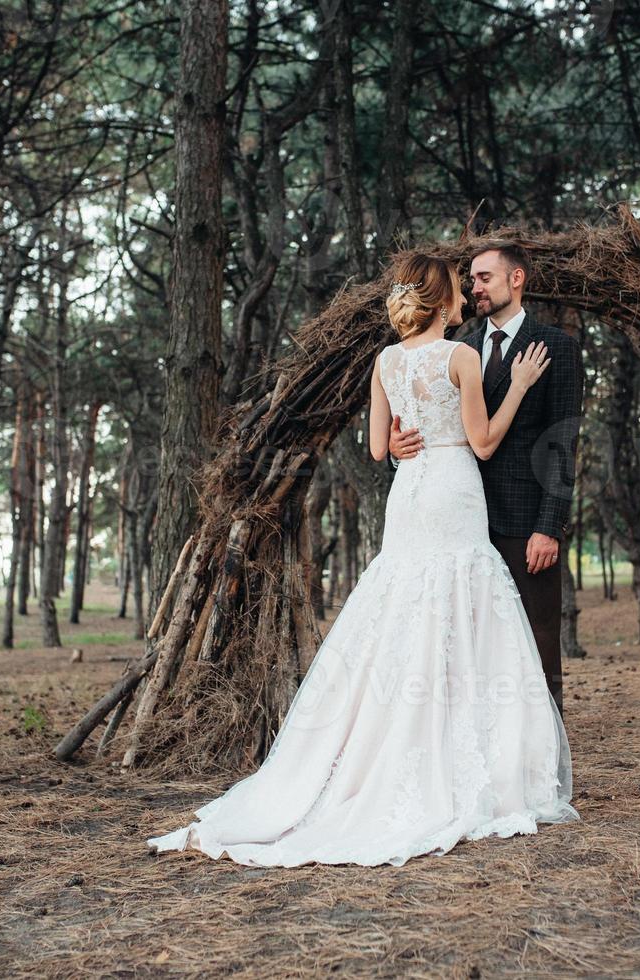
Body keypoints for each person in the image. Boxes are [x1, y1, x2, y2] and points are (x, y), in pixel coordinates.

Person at [145, 251, 579, 868]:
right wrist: (521, 389)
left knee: (402, 608)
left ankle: (376, 747)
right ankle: (464, 753)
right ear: (443, 299)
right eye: (460, 286)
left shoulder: (384, 361)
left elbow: (379, 448)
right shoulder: (462, 355)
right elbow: (482, 444)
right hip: (454, 491)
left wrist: (405, 444)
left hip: (410, 498)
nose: (466, 293)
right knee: (457, 606)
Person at [390, 243, 582, 717]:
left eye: (483, 278)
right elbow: (428, 429)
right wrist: (398, 449)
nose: (474, 287)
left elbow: (562, 444)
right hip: (461, 523)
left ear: (516, 279)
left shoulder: (556, 347)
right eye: (470, 280)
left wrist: (549, 524)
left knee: (535, 645)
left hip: (524, 524)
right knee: (471, 650)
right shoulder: (458, 349)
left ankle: (542, 762)